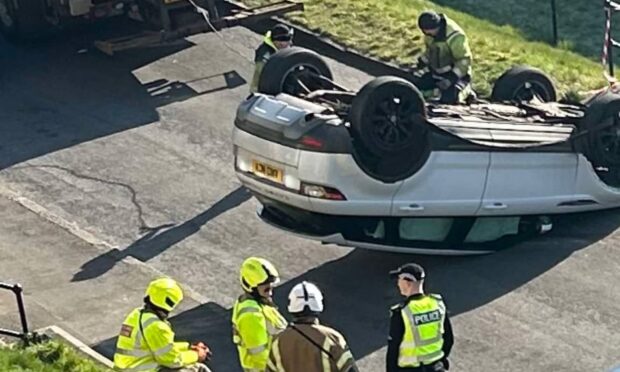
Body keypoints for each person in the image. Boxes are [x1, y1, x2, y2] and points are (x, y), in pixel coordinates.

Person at [113, 277, 212, 372]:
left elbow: (161, 348)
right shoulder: (156, 326)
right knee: (199, 369)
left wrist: (188, 347)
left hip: (128, 368)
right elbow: (172, 360)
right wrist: (196, 355)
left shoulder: (136, 315)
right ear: (170, 303)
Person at [267, 281, 358, 372]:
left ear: (292, 307)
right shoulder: (333, 338)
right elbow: (350, 369)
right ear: (319, 306)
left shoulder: (278, 341)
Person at [386, 263, 454, 372]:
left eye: (399, 280)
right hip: (436, 368)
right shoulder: (438, 304)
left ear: (407, 283)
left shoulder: (402, 312)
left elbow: (393, 350)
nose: (398, 284)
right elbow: (448, 339)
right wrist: (439, 361)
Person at [232, 257, 287, 371]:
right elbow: (260, 355)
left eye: (271, 288)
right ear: (252, 287)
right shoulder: (251, 316)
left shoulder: (258, 303)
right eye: (266, 290)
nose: (270, 293)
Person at [414, 10, 473, 104]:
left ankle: (467, 92)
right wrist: (422, 62)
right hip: (437, 73)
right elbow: (431, 51)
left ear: (436, 26)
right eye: (424, 32)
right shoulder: (429, 35)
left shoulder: (455, 37)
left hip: (457, 76)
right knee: (416, 87)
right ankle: (434, 93)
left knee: (450, 97)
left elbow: (464, 61)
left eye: (428, 32)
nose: (426, 34)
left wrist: (451, 78)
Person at [250, 23, 294, 93]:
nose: (290, 43)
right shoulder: (264, 57)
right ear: (277, 41)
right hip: (263, 93)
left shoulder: (281, 48)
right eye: (287, 40)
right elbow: (263, 74)